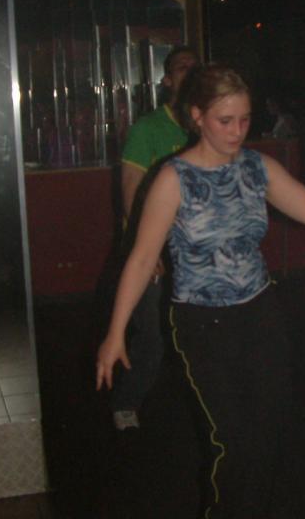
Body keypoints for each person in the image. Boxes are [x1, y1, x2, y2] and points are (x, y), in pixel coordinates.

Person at [96, 63, 305, 517]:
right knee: (232, 442)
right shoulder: (174, 178)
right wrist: (116, 333)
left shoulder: (256, 167)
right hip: (202, 323)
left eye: (245, 120)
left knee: (269, 435)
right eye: (225, 121)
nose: (237, 131)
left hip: (260, 314)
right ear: (197, 116)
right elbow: (141, 258)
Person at [111, 45, 199, 431]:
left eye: (195, 67)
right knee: (152, 334)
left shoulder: (204, 127)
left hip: (192, 247)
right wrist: (147, 248)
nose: (190, 72)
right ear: (168, 81)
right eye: (182, 68)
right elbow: (131, 191)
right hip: (153, 246)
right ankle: (126, 401)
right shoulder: (148, 129)